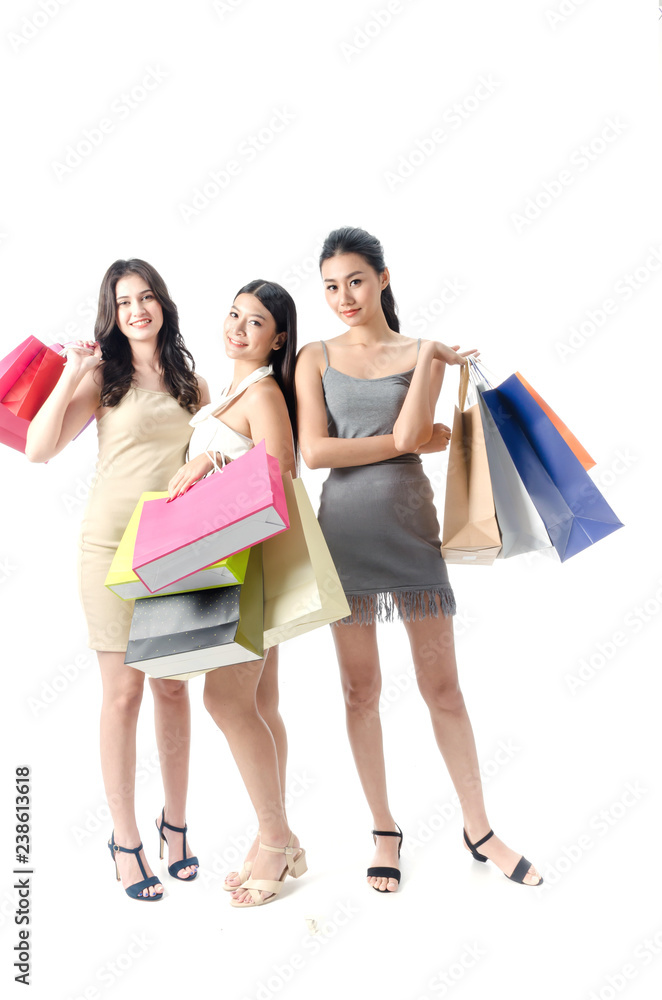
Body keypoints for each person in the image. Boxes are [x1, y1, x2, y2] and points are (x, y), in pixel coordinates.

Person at [294, 227, 542, 892]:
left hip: (410, 531)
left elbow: (414, 434)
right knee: (360, 691)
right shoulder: (313, 357)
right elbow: (315, 453)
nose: (343, 296)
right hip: (342, 535)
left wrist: (417, 413)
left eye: (354, 280)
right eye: (330, 285)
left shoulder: (422, 352)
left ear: (382, 278)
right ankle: (383, 827)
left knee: (444, 691)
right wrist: (405, 439)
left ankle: (479, 828)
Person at [26, 259, 204, 900]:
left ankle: (175, 825)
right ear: (112, 312)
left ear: (163, 304)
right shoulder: (104, 377)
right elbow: (38, 449)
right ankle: (126, 839)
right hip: (109, 547)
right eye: (124, 301)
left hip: (179, 551)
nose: (137, 309)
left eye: (147, 296)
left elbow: (217, 458)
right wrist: (75, 369)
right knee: (123, 696)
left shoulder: (194, 384)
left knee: (174, 693)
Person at [169, 279, 306, 908]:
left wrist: (210, 465)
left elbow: (283, 471)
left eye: (255, 322)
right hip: (227, 563)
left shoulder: (264, 391)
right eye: (233, 315)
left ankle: (275, 841)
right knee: (260, 704)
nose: (238, 328)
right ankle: (278, 837)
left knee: (226, 703)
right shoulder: (226, 395)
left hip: (246, 565)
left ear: (277, 339)